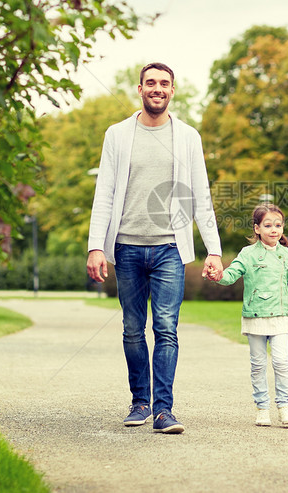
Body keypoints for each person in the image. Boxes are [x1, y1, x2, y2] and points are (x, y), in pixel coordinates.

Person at [86, 62, 223, 435]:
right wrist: (95, 246)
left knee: (167, 328)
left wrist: (213, 249)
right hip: (127, 247)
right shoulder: (117, 135)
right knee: (133, 329)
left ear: (172, 90)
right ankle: (139, 402)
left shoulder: (188, 137)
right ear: (140, 89)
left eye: (164, 83)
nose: (157, 88)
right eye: (151, 83)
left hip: (169, 249)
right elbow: (105, 193)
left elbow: (201, 195)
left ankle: (164, 410)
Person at [210, 204, 288, 427]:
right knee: (258, 365)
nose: (274, 230)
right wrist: (218, 275)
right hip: (255, 316)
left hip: (280, 316)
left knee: (281, 361)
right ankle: (262, 409)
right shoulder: (248, 254)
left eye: (278, 225)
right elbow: (230, 275)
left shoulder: (286, 254)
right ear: (257, 228)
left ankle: (284, 407)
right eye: (268, 225)